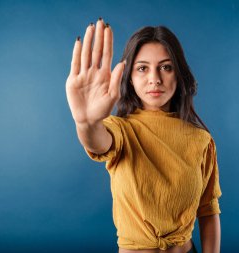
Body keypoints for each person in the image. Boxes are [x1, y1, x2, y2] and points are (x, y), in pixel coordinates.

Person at [66, 17, 222, 253]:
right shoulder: (121, 130)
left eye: (166, 67)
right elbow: (98, 142)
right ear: (129, 77)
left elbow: (208, 210)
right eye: (142, 68)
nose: (155, 79)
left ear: (178, 75)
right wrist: (86, 123)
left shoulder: (201, 140)